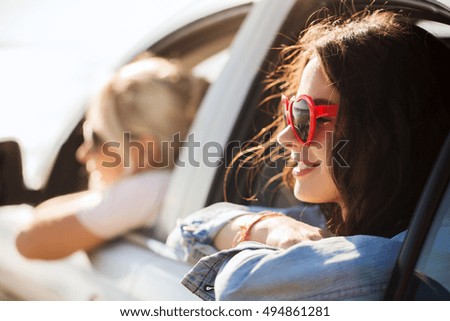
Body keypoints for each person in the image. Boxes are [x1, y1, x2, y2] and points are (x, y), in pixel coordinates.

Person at [167, 9, 450, 300]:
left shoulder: (407, 257)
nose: (284, 136)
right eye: (289, 111)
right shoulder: (325, 220)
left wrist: (254, 233)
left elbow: (238, 286)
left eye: (306, 115)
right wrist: (269, 226)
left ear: (389, 129)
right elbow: (186, 230)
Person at [16, 56, 208, 260]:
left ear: (144, 150)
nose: (82, 154)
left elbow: (28, 241)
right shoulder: (178, 186)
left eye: (95, 138)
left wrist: (107, 193)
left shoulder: (151, 187)